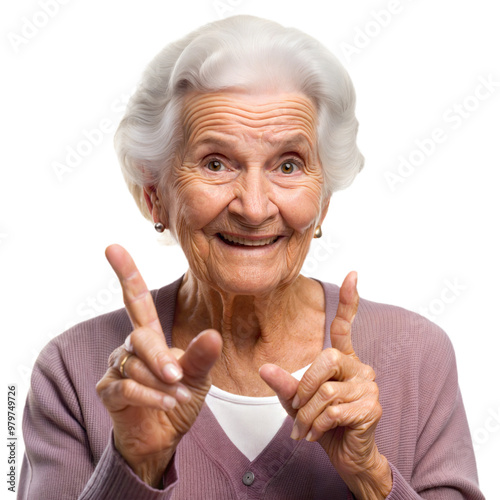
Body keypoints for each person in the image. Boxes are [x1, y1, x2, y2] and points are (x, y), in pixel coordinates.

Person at [19, 15, 484, 499]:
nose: (255, 207)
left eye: (288, 164)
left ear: (323, 200)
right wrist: (136, 463)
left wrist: (369, 475)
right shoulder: (73, 369)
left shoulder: (415, 356)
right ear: (155, 195)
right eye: (215, 163)